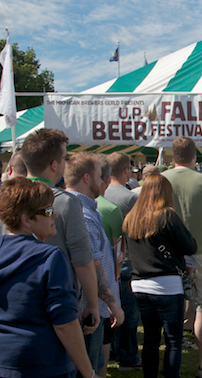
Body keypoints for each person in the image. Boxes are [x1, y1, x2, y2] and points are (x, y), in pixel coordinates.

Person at [0, 129, 101, 334]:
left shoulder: (0, 199)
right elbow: (82, 259)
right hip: (52, 309)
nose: (66, 163)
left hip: (4, 306)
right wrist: (92, 304)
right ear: (54, 164)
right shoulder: (66, 202)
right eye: (64, 158)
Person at [0, 178, 101, 378]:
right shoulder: (50, 257)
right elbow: (64, 323)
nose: (54, 215)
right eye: (47, 211)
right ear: (26, 219)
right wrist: (88, 373)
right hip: (41, 364)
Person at [123, 175, 197, 378]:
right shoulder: (167, 216)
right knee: (173, 339)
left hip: (139, 283)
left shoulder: (131, 218)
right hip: (167, 284)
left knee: (150, 337)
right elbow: (190, 246)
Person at [162, 136, 202, 377]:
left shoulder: (160, 180)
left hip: (164, 255)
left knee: (171, 308)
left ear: (172, 156)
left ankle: (173, 357)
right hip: (199, 253)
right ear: (194, 155)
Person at [65, 152, 125, 375]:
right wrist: (113, 303)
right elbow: (91, 265)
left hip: (90, 308)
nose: (104, 182)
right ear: (87, 178)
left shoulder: (85, 210)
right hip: (90, 312)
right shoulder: (83, 214)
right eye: (100, 177)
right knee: (89, 369)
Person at [104, 152, 142, 370]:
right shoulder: (129, 197)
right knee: (127, 312)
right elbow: (136, 232)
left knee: (109, 309)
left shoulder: (100, 193)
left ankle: (112, 351)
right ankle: (127, 357)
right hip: (125, 259)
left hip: (106, 259)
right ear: (126, 170)